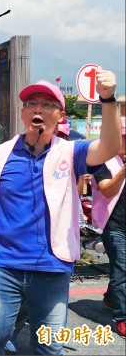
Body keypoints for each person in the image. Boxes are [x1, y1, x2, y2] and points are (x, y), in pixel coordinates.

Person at [0, 70, 121, 355]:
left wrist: (108, 99)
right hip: (4, 263)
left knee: (50, 345)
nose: (38, 108)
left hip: (52, 265)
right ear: (23, 113)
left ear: (60, 116)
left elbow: (111, 146)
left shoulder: (71, 152)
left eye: (47, 104)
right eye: (32, 103)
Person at [91, 117, 126, 338]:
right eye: (123, 136)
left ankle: (112, 297)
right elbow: (107, 191)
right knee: (123, 268)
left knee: (120, 270)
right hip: (113, 225)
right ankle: (122, 317)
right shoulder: (104, 162)